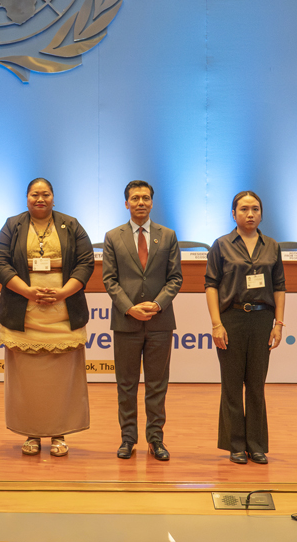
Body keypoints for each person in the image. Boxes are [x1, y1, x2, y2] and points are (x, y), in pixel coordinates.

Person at [0, 178, 93, 457]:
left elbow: (86, 263)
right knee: (28, 383)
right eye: (34, 194)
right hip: (24, 315)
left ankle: (59, 433)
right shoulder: (12, 225)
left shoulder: (71, 224)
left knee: (62, 381)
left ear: (53, 197)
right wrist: (27, 291)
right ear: (26, 198)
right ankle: (32, 433)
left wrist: (62, 293)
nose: (40, 199)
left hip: (63, 314)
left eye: (45, 194)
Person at [102, 180, 182, 461]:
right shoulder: (113, 237)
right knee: (126, 385)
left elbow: (175, 278)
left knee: (157, 385)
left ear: (152, 202)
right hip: (126, 322)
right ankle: (128, 439)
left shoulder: (168, 235)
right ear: (126, 203)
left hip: (160, 323)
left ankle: (156, 439)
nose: (141, 202)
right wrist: (130, 308)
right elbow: (109, 280)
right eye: (135, 198)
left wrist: (158, 304)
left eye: (146, 198)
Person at [205, 190, 286, 465]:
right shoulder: (221, 245)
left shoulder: (272, 245)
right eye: (243, 209)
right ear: (233, 214)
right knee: (231, 384)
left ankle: (256, 444)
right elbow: (211, 285)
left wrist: (278, 324)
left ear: (261, 213)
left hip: (263, 320)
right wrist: (216, 324)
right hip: (232, 319)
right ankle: (235, 445)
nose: (250, 214)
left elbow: (280, 287)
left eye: (255, 209)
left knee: (256, 385)